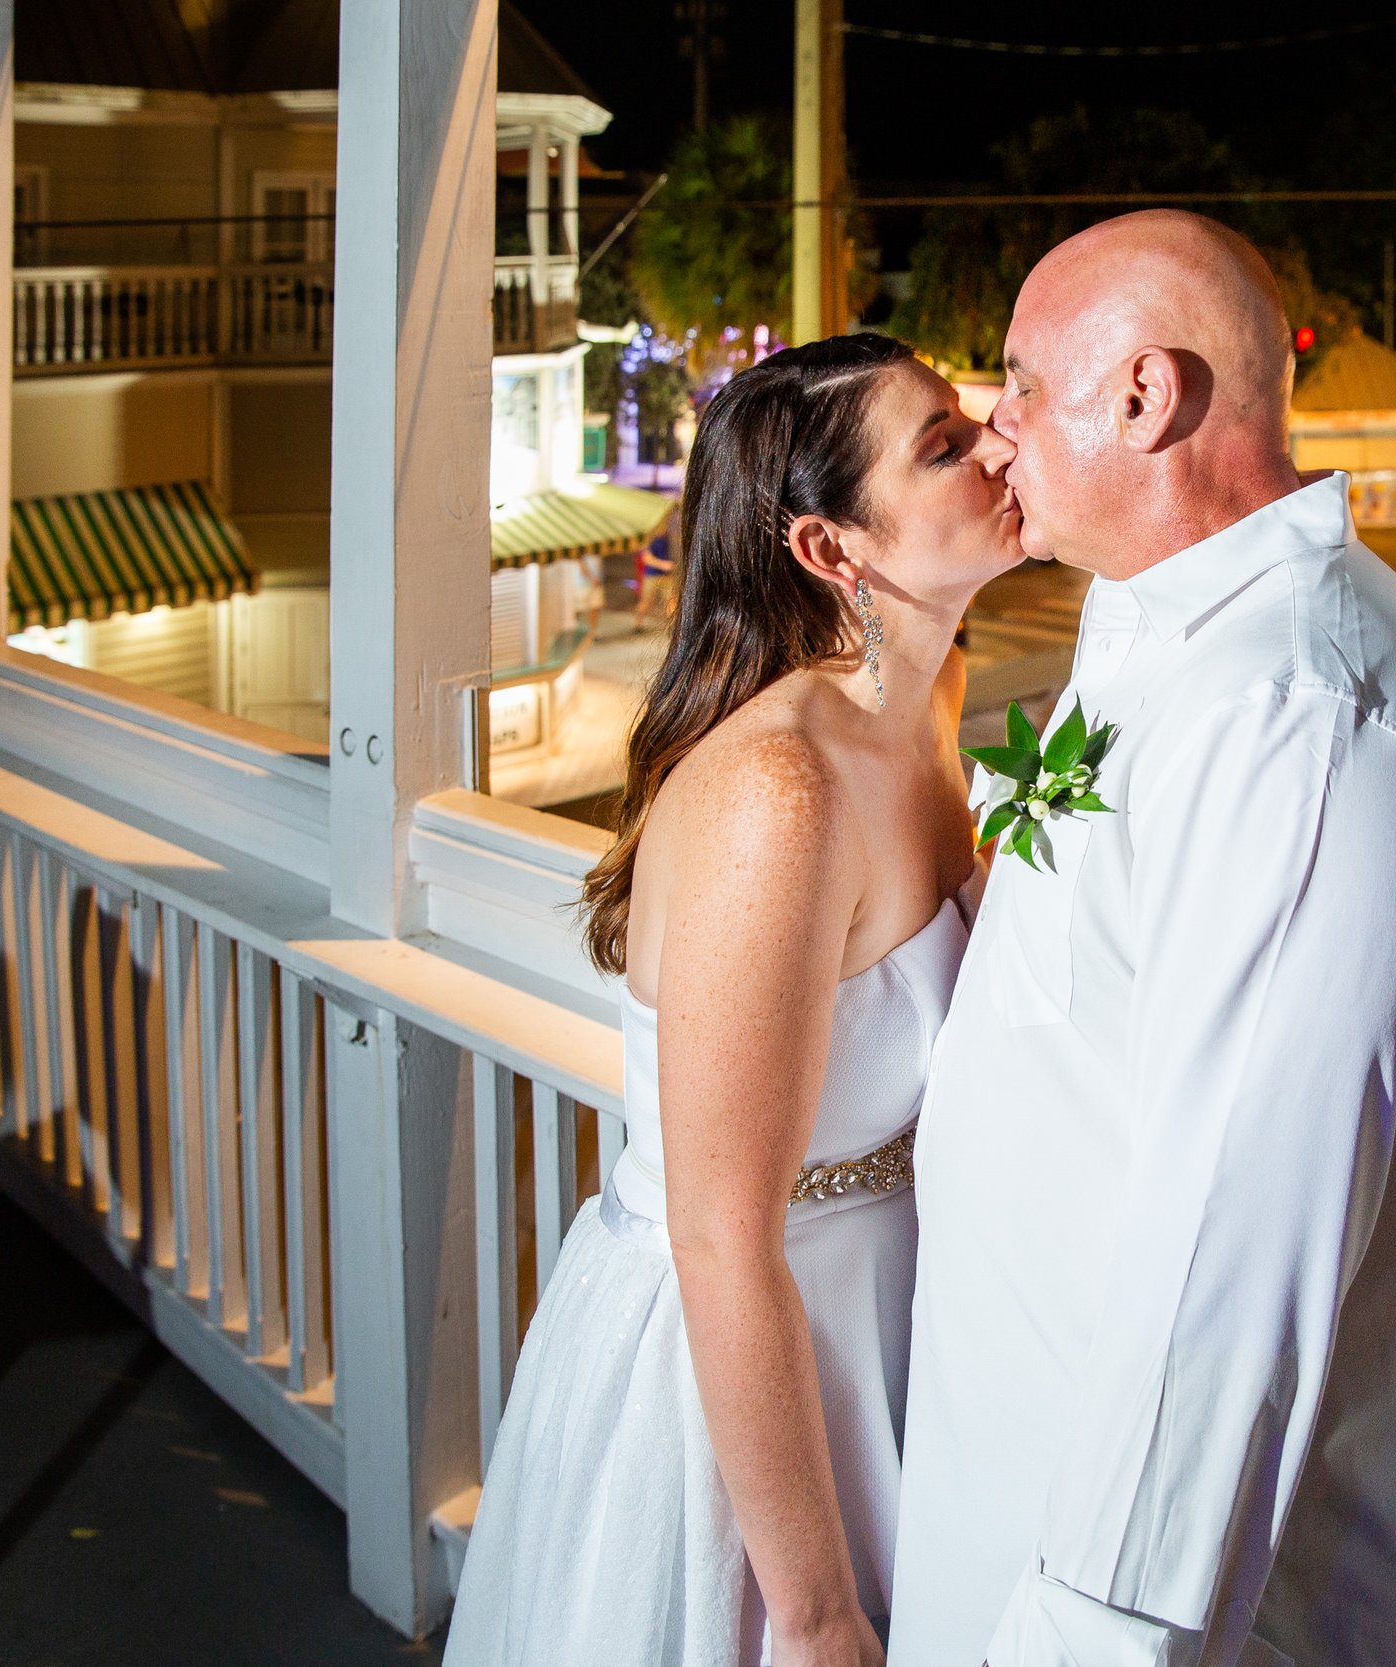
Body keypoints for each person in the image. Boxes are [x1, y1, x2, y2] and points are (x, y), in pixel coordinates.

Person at [889, 212, 1396, 1667]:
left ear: (1144, 396)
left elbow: (1231, 1256)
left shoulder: (1304, 724)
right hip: (1016, 1504)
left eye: (1022, 389)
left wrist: (1091, 1639)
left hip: (1187, 1613)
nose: (996, 433)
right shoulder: (1165, 635)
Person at [444, 333, 1023, 1667]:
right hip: (742, 1367)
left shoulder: (930, 716)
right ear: (832, 549)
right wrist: (816, 1618)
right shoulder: (778, 792)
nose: (997, 447)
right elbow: (719, 1235)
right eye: (943, 445)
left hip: (895, 1313)